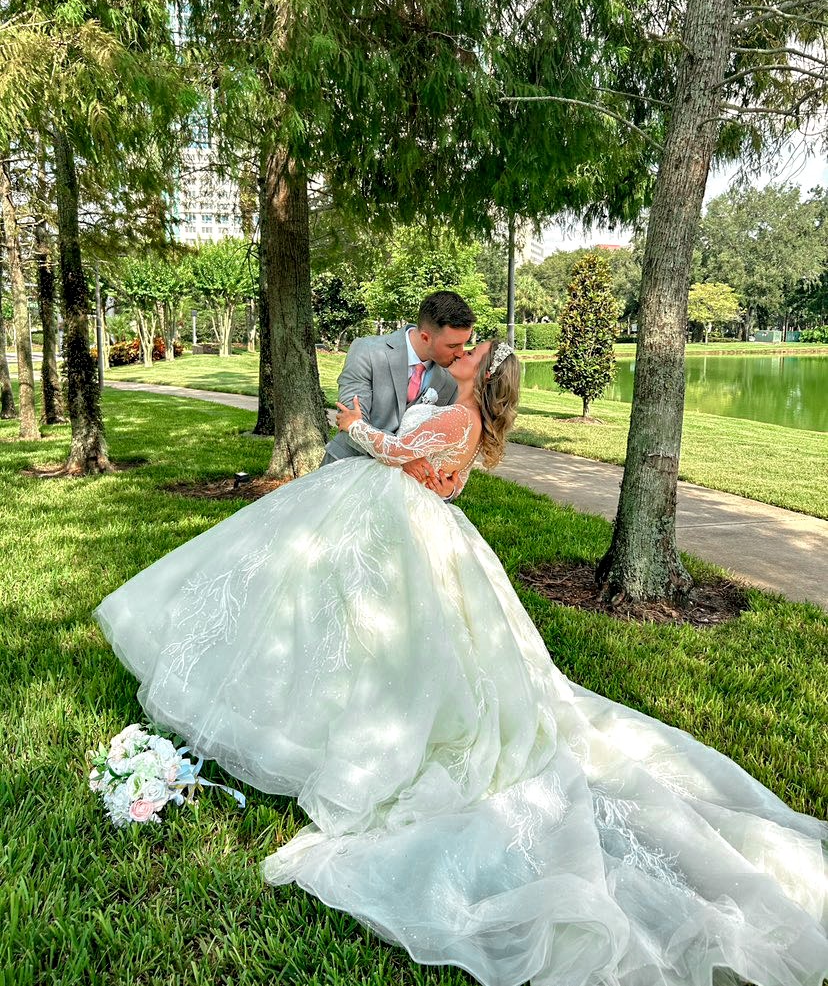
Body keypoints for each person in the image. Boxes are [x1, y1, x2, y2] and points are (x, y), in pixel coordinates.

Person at [94, 338, 828, 986]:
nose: (466, 349)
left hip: (397, 519)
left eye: (477, 351)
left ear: (483, 375)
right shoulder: (464, 413)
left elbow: (399, 455)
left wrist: (353, 426)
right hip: (412, 522)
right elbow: (431, 467)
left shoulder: (457, 416)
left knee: (381, 641)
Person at [321, 289, 476, 496]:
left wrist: (447, 491)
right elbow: (351, 424)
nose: (460, 352)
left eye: (464, 343)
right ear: (425, 337)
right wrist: (404, 456)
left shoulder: (449, 382)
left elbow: (436, 453)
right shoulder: (367, 351)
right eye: (453, 345)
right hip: (345, 476)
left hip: (396, 494)